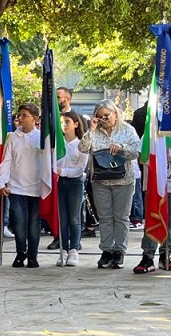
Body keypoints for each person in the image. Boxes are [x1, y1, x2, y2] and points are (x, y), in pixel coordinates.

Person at [81, 102, 140, 269]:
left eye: (107, 115)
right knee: (105, 217)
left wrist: (122, 147)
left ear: (115, 113)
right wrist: (91, 130)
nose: (104, 119)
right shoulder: (95, 131)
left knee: (121, 217)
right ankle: (106, 250)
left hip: (123, 179)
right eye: (100, 116)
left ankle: (119, 251)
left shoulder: (127, 130)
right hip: (100, 180)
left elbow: (136, 152)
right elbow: (83, 148)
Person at [133, 127, 171, 273]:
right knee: (152, 220)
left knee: (170, 222)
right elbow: (142, 158)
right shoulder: (149, 136)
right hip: (155, 186)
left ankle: (166, 253)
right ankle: (148, 255)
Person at [0, 103, 42, 268]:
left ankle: (33, 255)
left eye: (24, 115)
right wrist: (1, 181)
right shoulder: (12, 137)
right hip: (16, 186)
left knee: (34, 223)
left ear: (34, 118)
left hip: (36, 187)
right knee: (19, 221)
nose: (20, 118)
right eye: (19, 115)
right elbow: (6, 161)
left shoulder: (41, 137)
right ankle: (20, 253)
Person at [55, 111, 89, 266]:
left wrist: (62, 171)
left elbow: (80, 169)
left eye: (67, 121)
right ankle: (63, 248)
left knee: (74, 217)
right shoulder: (57, 143)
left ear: (76, 124)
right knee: (62, 217)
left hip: (74, 183)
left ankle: (74, 249)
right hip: (59, 182)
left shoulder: (81, 145)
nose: (64, 125)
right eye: (62, 122)